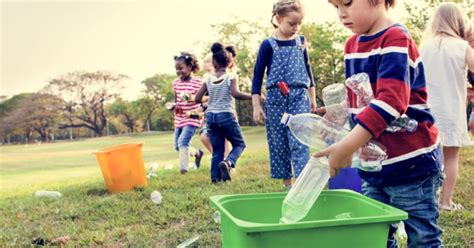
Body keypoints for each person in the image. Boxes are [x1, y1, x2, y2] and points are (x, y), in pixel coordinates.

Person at [317, 0, 443, 246]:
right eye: (335, 7)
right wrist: (340, 110)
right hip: (374, 167)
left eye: (347, 3)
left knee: (422, 237)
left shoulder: (395, 39)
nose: (342, 14)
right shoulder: (352, 44)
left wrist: (346, 147)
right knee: (373, 235)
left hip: (411, 166)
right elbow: (362, 93)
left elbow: (391, 102)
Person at [251, 0, 317, 190]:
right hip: (275, 100)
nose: (296, 27)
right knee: (279, 141)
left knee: (300, 140)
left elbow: (308, 69)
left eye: (299, 23)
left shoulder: (301, 42)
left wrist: (312, 97)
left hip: (299, 97)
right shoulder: (268, 45)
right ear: (278, 19)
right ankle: (287, 184)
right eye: (292, 23)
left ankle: (302, 183)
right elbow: (257, 75)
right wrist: (256, 105)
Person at [419, 2, 474, 212]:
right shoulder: (461, 47)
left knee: (427, 156)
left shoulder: (423, 46)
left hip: (426, 111)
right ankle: (445, 202)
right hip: (451, 110)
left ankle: (427, 199)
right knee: (451, 157)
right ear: (459, 23)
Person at [195, 43, 252, 183]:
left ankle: (215, 180)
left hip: (211, 117)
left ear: (213, 62)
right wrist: (253, 96)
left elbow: (197, 98)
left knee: (217, 150)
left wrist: (209, 99)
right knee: (239, 144)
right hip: (226, 115)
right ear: (230, 62)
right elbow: (236, 94)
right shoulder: (231, 77)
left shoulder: (207, 78)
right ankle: (228, 162)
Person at [171, 52, 204, 174]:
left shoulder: (199, 82)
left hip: (194, 116)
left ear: (190, 67)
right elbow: (177, 101)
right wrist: (174, 106)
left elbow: (203, 99)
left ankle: (183, 170)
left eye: (181, 68)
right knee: (177, 146)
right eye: (176, 69)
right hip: (180, 118)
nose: (178, 71)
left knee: (183, 142)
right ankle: (197, 153)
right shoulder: (175, 83)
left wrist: (193, 101)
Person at [199, 53, 233, 157]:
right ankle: (217, 156)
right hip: (210, 119)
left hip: (224, 116)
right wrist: (199, 109)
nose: (206, 74)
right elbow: (202, 102)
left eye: (209, 70)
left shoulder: (226, 81)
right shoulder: (207, 84)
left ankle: (227, 163)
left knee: (225, 139)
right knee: (204, 137)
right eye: (205, 71)